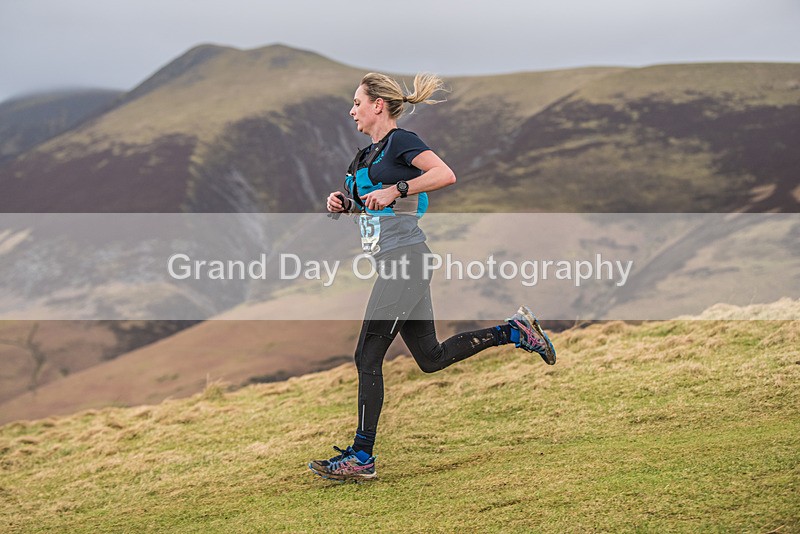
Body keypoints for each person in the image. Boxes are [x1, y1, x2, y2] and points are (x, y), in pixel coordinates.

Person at [308, 72, 556, 483]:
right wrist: (341, 204)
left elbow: (445, 174)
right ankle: (515, 331)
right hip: (397, 265)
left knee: (366, 357)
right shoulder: (362, 157)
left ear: (377, 105)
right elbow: (370, 207)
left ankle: (362, 457)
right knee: (431, 358)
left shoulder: (402, 142)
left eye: (356, 102)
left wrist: (399, 188)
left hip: (407, 262)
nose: (351, 110)